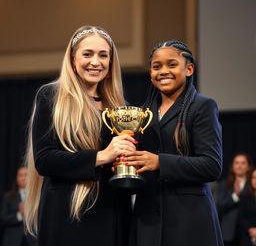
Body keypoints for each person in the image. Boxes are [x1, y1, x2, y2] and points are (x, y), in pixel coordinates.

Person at [24, 25, 136, 246]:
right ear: (73, 59)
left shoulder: (123, 108)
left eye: (103, 55)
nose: (96, 62)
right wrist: (103, 156)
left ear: (111, 62)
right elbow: (45, 160)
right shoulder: (51, 96)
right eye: (87, 54)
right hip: (67, 216)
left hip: (113, 212)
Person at [123, 40, 223, 246]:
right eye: (156, 66)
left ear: (188, 69)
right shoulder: (141, 114)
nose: (163, 71)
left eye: (171, 64)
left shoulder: (203, 107)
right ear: (150, 74)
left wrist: (160, 162)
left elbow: (212, 166)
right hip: (147, 220)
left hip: (190, 220)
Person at [217, 152, 253, 246]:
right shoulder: (225, 184)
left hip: (247, 233)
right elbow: (220, 206)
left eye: (243, 163)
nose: (239, 166)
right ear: (232, 166)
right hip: (228, 232)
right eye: (236, 163)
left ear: (248, 167)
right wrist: (235, 196)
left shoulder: (252, 185)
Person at [0, 166, 35, 246]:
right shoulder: (8, 196)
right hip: (13, 240)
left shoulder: (35, 197)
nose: (23, 178)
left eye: (26, 175)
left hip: (32, 240)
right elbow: (2, 218)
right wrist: (19, 214)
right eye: (20, 175)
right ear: (16, 178)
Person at [239, 168, 256, 246]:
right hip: (248, 237)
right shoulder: (245, 197)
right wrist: (251, 229)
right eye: (254, 177)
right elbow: (241, 217)